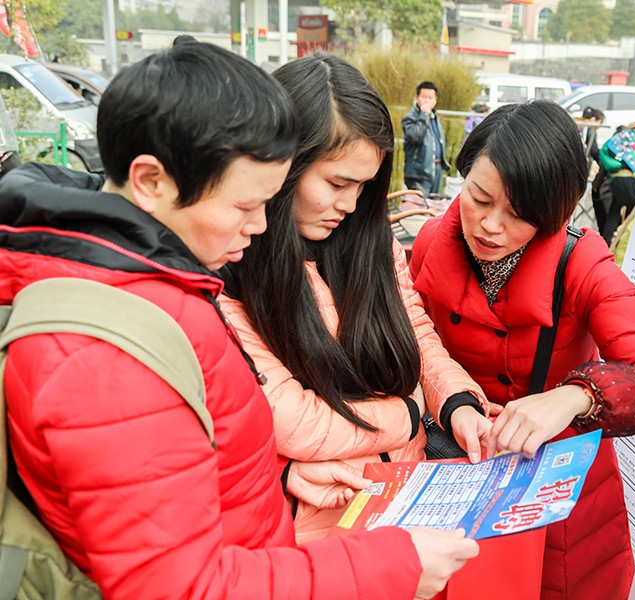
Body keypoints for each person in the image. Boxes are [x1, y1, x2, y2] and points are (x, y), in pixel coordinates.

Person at [0, 39, 477, 599]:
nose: (257, 228)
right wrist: (388, 556)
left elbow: (208, 455)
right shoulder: (112, 343)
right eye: (245, 206)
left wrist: (279, 474)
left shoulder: (174, 285)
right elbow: (180, 585)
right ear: (152, 181)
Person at [409, 100, 635, 600]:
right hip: (456, 467)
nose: (490, 226)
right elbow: (415, 340)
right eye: (478, 197)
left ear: (554, 213)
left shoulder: (582, 261)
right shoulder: (432, 240)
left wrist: (575, 396)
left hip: (557, 482)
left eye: (519, 215)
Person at [221, 53, 490, 544]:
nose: (349, 205)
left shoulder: (373, 243)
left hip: (403, 497)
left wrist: (454, 401)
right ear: (282, 164)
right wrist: (408, 413)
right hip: (316, 522)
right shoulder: (233, 262)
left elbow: (415, 333)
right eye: (336, 183)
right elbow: (290, 420)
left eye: (364, 187)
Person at [403, 81, 450, 197]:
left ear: (435, 100)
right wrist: (423, 115)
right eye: (424, 97)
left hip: (436, 170)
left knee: (434, 207)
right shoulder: (410, 118)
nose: (427, 101)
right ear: (417, 98)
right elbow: (415, 137)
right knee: (420, 208)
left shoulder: (435, 116)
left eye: (430, 98)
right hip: (418, 174)